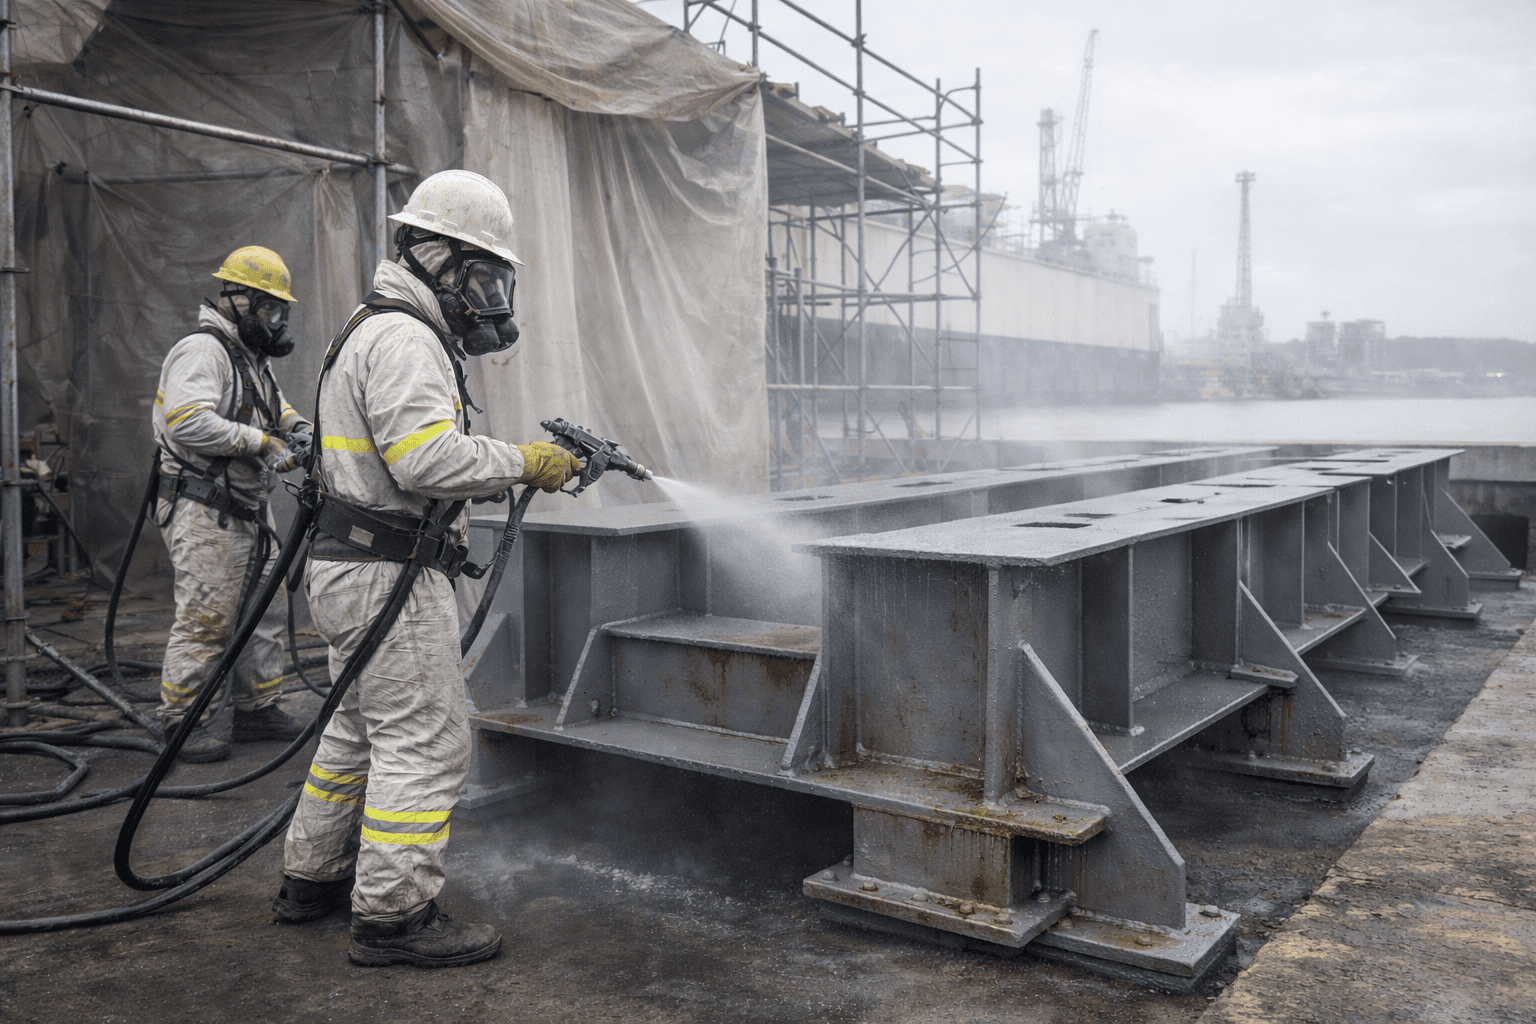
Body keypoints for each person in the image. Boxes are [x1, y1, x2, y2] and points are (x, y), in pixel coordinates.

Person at [273, 169, 581, 968]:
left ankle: (313, 877)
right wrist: (526, 461)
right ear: (434, 255)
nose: (489, 295)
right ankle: (394, 917)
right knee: (426, 739)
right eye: (482, 274)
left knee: (356, 729)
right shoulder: (407, 338)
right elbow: (425, 460)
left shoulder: (373, 327)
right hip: (387, 572)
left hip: (351, 565)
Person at [152, 246, 313, 763]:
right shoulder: (203, 351)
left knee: (262, 611)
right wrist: (262, 443)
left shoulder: (248, 358)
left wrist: (299, 430)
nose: (275, 320)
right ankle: (179, 723)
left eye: (279, 311)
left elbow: (275, 408)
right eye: (269, 309)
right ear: (237, 299)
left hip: (244, 506)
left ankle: (257, 709)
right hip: (204, 506)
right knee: (208, 617)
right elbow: (187, 420)